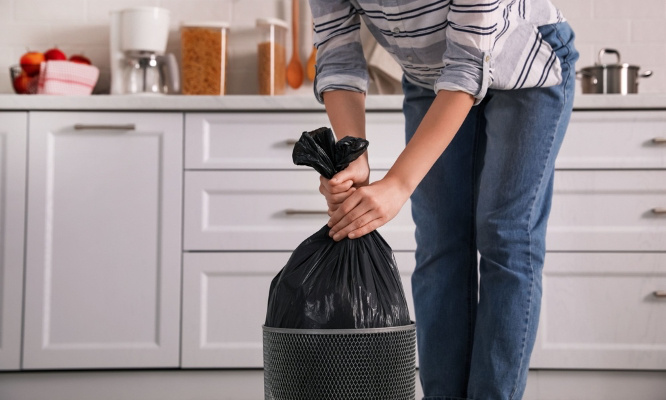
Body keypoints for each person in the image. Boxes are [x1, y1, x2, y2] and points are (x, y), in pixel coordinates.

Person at [308, 1, 578, 399]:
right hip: (432, 78)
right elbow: (337, 52)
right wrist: (354, 158)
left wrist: (399, 183)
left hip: (526, 67)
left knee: (505, 238)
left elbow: (470, 64)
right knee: (439, 243)